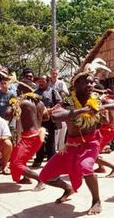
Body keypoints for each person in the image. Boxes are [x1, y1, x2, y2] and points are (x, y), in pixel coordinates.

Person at [39, 71, 106, 215]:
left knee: (86, 167)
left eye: (91, 82)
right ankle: (67, 188)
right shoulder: (67, 102)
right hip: (70, 146)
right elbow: (56, 116)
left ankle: (96, 201)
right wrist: (80, 111)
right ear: (75, 85)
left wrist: (104, 109)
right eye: (85, 82)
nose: (90, 84)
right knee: (45, 176)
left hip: (90, 144)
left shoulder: (97, 100)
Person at [7, 79, 49, 191]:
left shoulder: (21, 102)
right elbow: (47, 117)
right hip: (38, 135)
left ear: (23, 90)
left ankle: (40, 179)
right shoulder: (40, 103)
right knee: (18, 156)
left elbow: (7, 115)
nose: (17, 90)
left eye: (19, 88)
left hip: (30, 137)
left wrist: (12, 103)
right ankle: (26, 177)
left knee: (16, 163)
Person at [32, 75, 62, 168]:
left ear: (48, 82)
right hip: (39, 120)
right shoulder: (35, 93)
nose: (41, 83)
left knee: (50, 141)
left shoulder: (53, 91)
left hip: (50, 120)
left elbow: (60, 102)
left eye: (43, 81)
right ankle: (38, 160)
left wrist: (52, 109)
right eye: (39, 81)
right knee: (39, 140)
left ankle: (51, 161)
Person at [95, 93, 114, 177]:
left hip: (107, 131)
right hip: (108, 130)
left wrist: (96, 117)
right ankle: (101, 168)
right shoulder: (108, 105)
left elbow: (106, 121)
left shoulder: (104, 106)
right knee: (95, 151)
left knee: (92, 153)